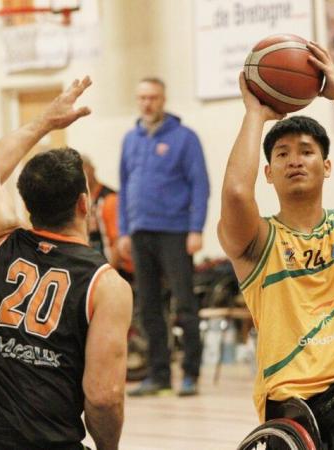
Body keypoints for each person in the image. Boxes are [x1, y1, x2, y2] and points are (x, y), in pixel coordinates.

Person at [219, 41, 334, 449]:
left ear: (326, 166)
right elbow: (236, 195)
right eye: (282, 154)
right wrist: (255, 115)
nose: (294, 160)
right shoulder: (258, 241)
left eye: (306, 152)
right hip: (297, 404)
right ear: (269, 173)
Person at [0, 77, 132, 450]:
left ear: (28, 204)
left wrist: (45, 122)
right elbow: (102, 397)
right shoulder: (106, 284)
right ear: (85, 204)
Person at [118, 77, 210, 397]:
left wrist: (196, 228)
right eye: (142, 97)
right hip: (140, 231)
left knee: (184, 304)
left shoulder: (185, 138)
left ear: (164, 98)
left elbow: (200, 185)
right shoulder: (131, 140)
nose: (147, 103)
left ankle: (190, 374)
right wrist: (123, 230)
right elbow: (124, 185)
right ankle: (159, 375)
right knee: (148, 306)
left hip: (175, 231)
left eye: (153, 97)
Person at [82, 155, 134, 280]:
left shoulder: (110, 199)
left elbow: (118, 240)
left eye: (84, 169)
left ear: (92, 169)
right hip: (95, 268)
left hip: (117, 272)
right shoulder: (82, 200)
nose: (82, 176)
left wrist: (108, 274)